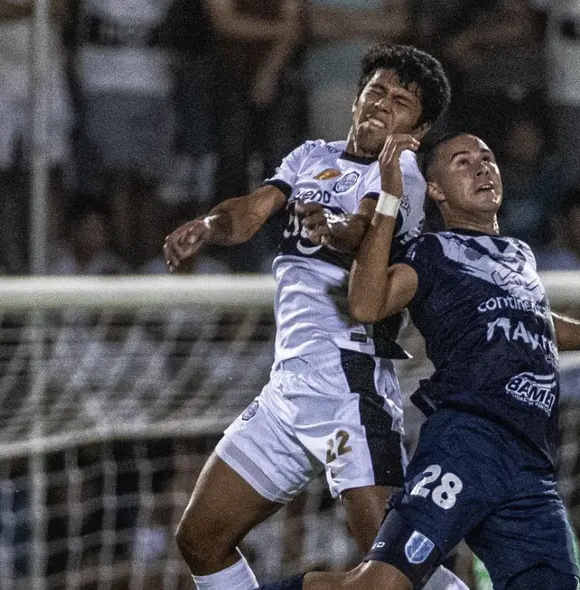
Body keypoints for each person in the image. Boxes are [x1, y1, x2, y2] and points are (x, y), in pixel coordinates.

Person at [261, 132, 580, 590]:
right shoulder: (432, 252)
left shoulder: (519, 254)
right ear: (435, 190)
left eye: (488, 158)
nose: (481, 167)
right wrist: (390, 197)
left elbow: (532, 321)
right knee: (380, 587)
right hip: (468, 442)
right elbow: (368, 304)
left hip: (531, 462)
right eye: (462, 162)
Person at [162, 44, 463, 590]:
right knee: (200, 539)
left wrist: (336, 227)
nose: (381, 105)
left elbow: (367, 227)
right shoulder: (309, 157)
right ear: (355, 98)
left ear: (414, 132)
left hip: (350, 387)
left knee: (395, 569)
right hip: (288, 389)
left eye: (400, 103)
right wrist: (208, 226)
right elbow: (253, 209)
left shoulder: (408, 178)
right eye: (376, 91)